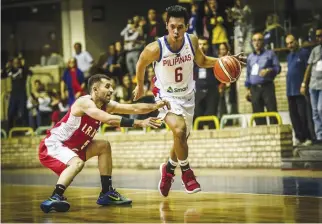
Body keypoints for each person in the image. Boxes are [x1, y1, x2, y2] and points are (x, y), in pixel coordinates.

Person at [133, 5, 245, 197]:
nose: (176, 31)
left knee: (181, 139)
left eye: (180, 27)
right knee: (179, 130)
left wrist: (224, 60)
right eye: (172, 26)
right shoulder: (155, 48)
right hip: (165, 95)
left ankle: (168, 169)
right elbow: (140, 63)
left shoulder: (191, 41)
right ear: (167, 25)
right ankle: (187, 173)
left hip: (187, 95)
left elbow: (201, 61)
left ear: (186, 27)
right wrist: (141, 86)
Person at [39, 74, 170, 213]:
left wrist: (156, 106)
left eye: (112, 86)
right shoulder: (84, 103)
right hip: (54, 144)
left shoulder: (106, 105)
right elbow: (108, 120)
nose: (112, 90)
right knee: (77, 163)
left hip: (75, 148)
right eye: (107, 86)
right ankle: (55, 196)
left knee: (104, 146)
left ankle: (106, 193)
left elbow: (134, 108)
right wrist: (139, 122)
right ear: (95, 89)